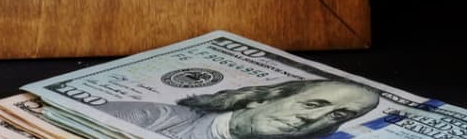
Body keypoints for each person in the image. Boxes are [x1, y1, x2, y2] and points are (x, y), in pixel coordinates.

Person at [96, 79, 383, 139]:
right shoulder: (149, 117)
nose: (313, 117)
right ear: (262, 99)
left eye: (338, 115)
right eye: (312, 104)